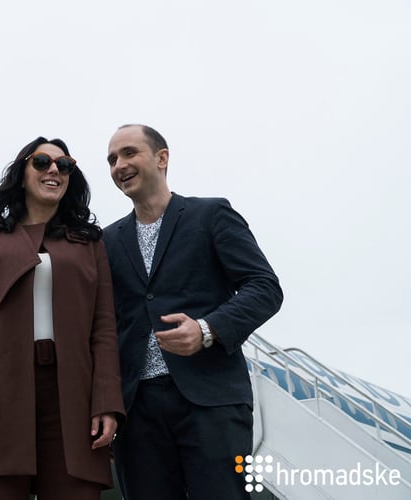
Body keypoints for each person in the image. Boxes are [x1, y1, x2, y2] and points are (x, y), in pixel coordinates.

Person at [102, 124, 283, 499]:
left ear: (162, 158)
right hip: (137, 410)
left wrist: (206, 329)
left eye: (129, 153)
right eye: (112, 160)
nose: (119, 165)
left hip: (211, 401)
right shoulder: (108, 241)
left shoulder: (211, 214)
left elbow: (265, 287)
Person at [0, 137, 126, 499]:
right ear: (22, 172)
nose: (54, 170)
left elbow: (104, 329)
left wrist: (107, 402)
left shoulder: (90, 246)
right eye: (42, 162)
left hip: (72, 400)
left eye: (65, 165)